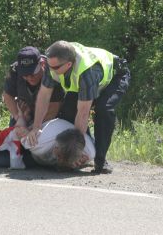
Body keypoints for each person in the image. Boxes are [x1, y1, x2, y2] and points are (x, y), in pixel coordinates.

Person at [26, 41, 130, 174]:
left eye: (55, 68)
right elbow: (43, 96)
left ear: (68, 64)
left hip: (114, 77)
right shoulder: (52, 64)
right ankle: (84, 149)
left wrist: (75, 151)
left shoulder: (87, 72)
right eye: (49, 66)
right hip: (86, 81)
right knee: (68, 110)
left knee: (103, 110)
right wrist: (36, 126)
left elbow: (83, 113)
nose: (51, 71)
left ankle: (100, 160)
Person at [2, 46, 64, 127]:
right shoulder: (14, 71)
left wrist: (32, 129)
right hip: (23, 113)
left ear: (42, 64)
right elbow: (7, 95)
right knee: (14, 134)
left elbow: (54, 108)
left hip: (50, 117)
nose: (30, 77)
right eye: (25, 74)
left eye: (33, 73)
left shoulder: (53, 72)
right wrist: (19, 117)